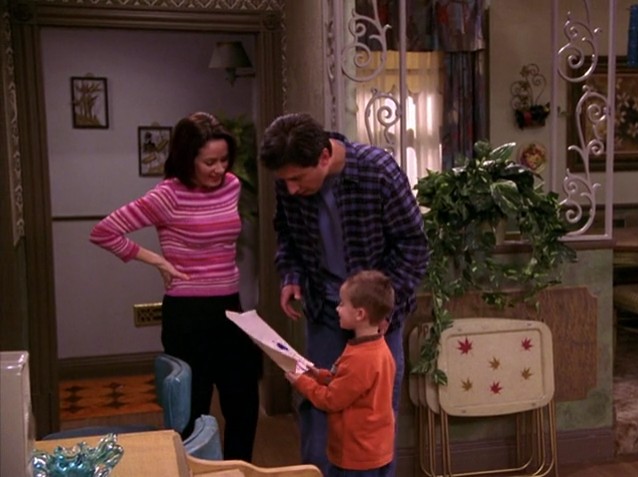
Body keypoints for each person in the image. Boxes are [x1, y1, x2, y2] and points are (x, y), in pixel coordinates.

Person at [259, 112, 429, 475]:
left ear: (324, 156)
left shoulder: (377, 172)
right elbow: (286, 234)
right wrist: (291, 275)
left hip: (378, 321)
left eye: (297, 179)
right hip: (325, 310)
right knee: (318, 406)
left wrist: (380, 308)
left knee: (374, 416)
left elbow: (413, 245)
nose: (291, 189)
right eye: (284, 181)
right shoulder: (290, 182)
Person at [90, 111, 262, 462]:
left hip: (230, 307)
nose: (219, 169)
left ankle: (236, 471)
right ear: (187, 159)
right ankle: (192, 470)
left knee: (243, 402)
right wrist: (157, 260)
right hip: (188, 314)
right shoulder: (167, 196)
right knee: (192, 410)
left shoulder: (232, 186)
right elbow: (104, 232)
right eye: (209, 162)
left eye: (224, 160)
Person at [284, 270, 397, 477]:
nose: (337, 309)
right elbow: (348, 383)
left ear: (360, 314)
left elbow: (331, 399)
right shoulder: (376, 348)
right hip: (374, 451)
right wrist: (317, 374)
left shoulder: (361, 358)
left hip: (356, 457)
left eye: (343, 304)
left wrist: (301, 382)